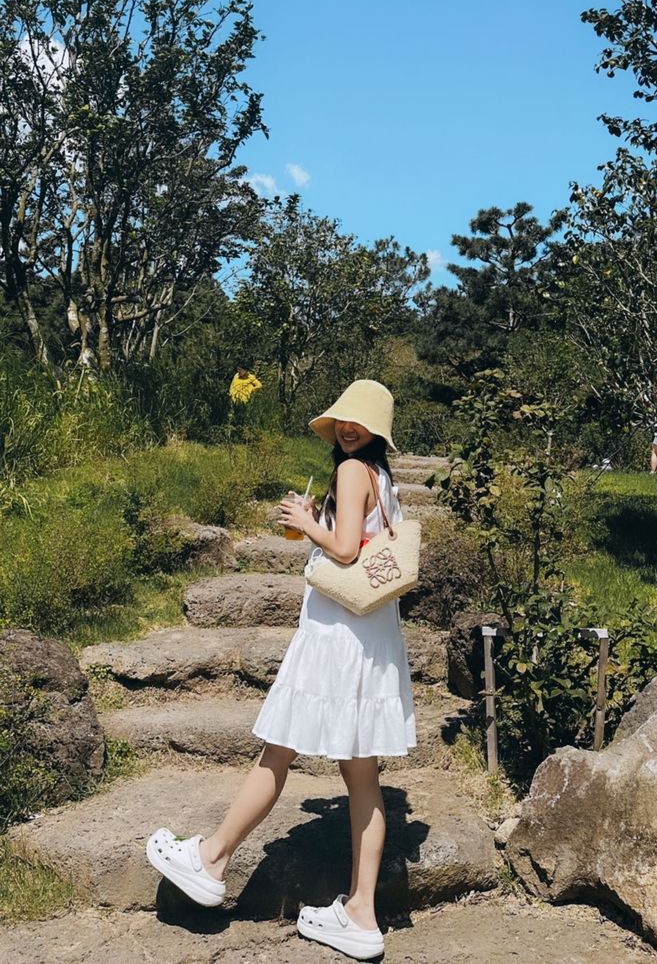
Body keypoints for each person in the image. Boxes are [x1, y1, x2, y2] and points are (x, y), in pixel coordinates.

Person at [145, 378, 416, 961]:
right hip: (371, 642)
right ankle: (362, 915)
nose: (348, 428)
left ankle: (211, 859)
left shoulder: (349, 473)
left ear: (376, 431)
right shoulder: (382, 479)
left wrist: (304, 519)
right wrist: (321, 526)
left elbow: (344, 551)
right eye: (344, 419)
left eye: (359, 423)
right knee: (364, 780)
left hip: (336, 640)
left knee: (279, 749)